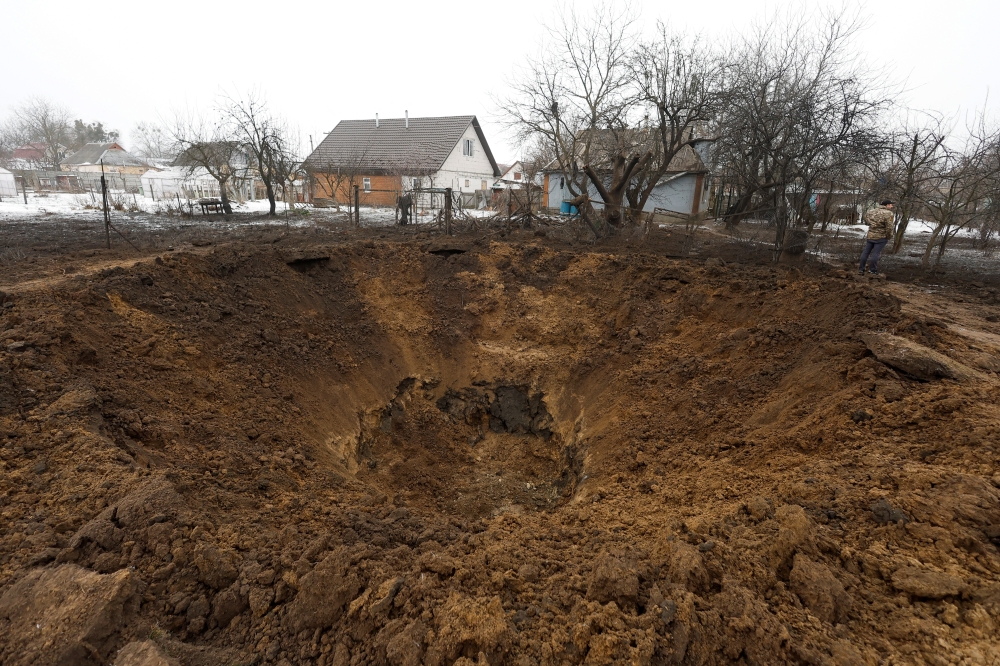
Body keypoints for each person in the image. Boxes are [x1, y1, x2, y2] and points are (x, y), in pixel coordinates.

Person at [859, 200, 895, 275]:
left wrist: (873, 226)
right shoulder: (889, 214)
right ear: (887, 205)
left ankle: (861, 269)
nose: (892, 206)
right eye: (891, 205)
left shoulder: (871, 211)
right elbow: (889, 227)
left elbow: (867, 221)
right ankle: (872, 270)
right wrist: (889, 236)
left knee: (866, 252)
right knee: (876, 253)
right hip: (881, 237)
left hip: (871, 235)